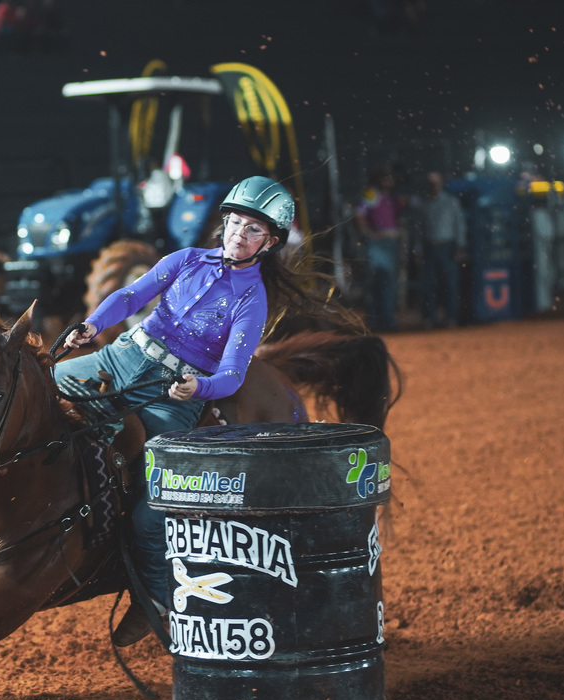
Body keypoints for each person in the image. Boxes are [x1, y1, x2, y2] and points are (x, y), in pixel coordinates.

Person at [54, 176, 352, 646]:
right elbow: (131, 297)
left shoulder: (252, 300)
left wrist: (199, 388)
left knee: (155, 503)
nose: (239, 234)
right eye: (235, 223)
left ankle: (155, 597)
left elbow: (232, 374)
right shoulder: (187, 258)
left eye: (253, 230)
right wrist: (93, 324)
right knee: (41, 387)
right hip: (122, 356)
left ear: (271, 243)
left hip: (172, 396)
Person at [355, 164, 406, 331]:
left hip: (391, 242)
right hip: (378, 242)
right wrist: (369, 233)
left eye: (390, 178)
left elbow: (401, 216)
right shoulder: (372, 194)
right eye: (385, 177)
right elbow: (359, 213)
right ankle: (377, 320)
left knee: (388, 283)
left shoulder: (393, 198)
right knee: (378, 281)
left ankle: (386, 319)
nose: (388, 181)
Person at [419, 171, 467, 328]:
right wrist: (418, 248)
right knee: (429, 285)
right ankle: (429, 318)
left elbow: (459, 224)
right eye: (431, 183)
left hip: (447, 246)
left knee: (450, 284)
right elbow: (419, 228)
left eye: (436, 183)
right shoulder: (424, 204)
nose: (434, 186)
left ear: (441, 184)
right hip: (429, 246)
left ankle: (451, 317)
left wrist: (460, 246)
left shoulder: (451, 202)